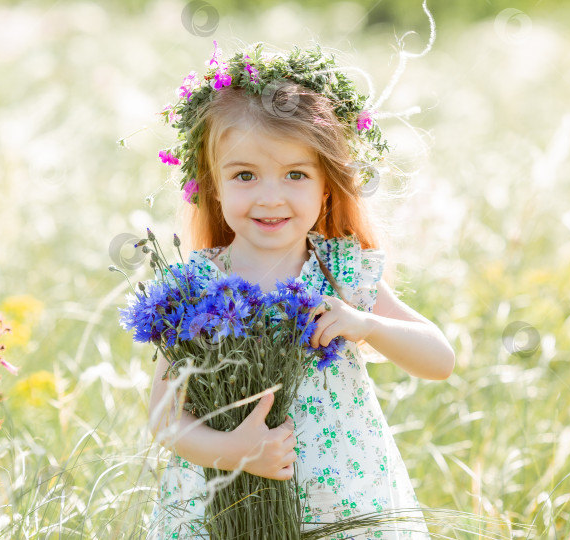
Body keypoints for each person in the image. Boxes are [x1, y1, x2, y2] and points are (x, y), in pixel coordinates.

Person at [145, 40, 455, 539]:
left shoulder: (341, 276)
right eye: (245, 175)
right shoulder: (197, 288)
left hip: (345, 505)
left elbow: (439, 360)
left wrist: (366, 325)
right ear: (214, 185)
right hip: (226, 508)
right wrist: (236, 451)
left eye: (295, 174)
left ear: (326, 186)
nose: (271, 197)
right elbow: (163, 418)